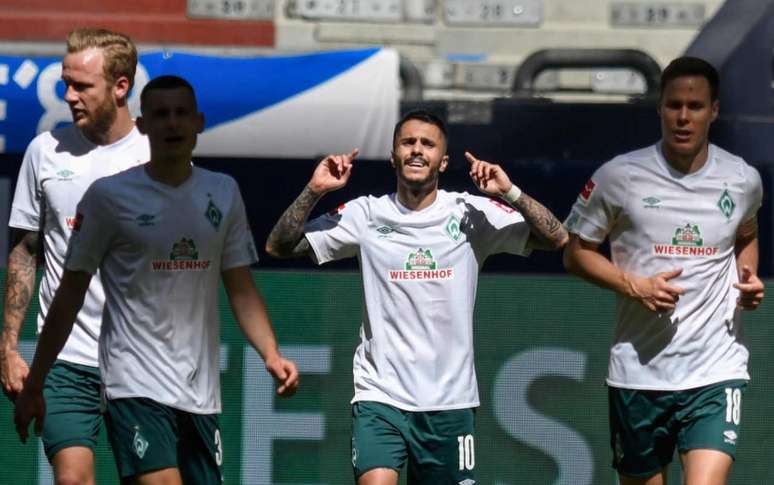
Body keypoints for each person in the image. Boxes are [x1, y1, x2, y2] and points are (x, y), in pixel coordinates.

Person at [14, 75, 299, 485]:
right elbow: (69, 293)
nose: (172, 124)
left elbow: (240, 286)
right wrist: (36, 381)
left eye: (181, 114)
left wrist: (271, 354)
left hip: (200, 392)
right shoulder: (108, 197)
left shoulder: (223, 192)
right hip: (134, 384)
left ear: (198, 122)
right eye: (161, 115)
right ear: (143, 126)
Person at [265, 110, 568, 484]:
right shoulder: (366, 214)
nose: (416, 150)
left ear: (443, 160)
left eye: (428, 144)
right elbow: (279, 246)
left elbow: (557, 238)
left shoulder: (470, 212)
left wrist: (510, 192)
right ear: (393, 156)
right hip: (381, 396)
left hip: (450, 402)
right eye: (408, 142)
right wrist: (315, 190)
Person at [563, 56, 764, 485]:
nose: (684, 117)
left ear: (714, 110)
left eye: (695, 106)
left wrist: (746, 276)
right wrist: (633, 284)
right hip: (639, 371)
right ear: (659, 109)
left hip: (715, 369)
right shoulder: (620, 176)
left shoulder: (742, 179)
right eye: (674, 105)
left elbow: (746, 232)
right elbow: (576, 253)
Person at [1, 27, 149, 485]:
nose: (68, 95)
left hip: (143, 363)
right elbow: (25, 251)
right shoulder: (44, 152)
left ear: (120, 86)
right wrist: (8, 346)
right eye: (65, 83)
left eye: (81, 85)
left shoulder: (158, 157)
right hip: (65, 360)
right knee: (72, 480)